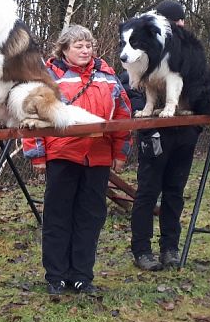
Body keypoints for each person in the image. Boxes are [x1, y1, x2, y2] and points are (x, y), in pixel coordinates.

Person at [23, 25, 132, 296]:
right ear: (64, 49)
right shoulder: (47, 77)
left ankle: (82, 275)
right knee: (58, 217)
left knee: (90, 217)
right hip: (62, 154)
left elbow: (122, 115)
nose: (85, 51)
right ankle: (56, 276)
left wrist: (120, 152)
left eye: (89, 46)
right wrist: (37, 155)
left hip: (97, 157)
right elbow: (30, 117)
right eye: (78, 46)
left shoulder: (107, 76)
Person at [128, 0, 201, 271]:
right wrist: (148, 114)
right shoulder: (142, 46)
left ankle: (170, 248)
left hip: (185, 131)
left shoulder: (185, 50)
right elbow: (133, 88)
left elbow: (198, 83)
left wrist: (196, 122)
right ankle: (142, 250)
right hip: (154, 133)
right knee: (148, 192)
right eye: (173, 22)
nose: (179, 26)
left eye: (181, 21)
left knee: (175, 192)